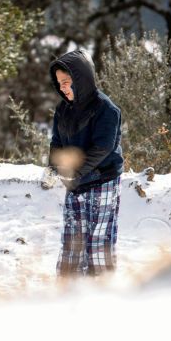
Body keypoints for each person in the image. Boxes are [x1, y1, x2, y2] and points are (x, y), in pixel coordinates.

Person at [48, 49, 123, 277]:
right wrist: (56, 166)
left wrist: (77, 172)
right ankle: (68, 289)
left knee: (98, 241)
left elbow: (103, 147)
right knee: (73, 241)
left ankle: (100, 292)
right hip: (75, 183)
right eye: (59, 83)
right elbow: (56, 142)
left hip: (102, 180)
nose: (63, 87)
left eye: (67, 82)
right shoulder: (63, 110)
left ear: (81, 80)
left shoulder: (106, 109)